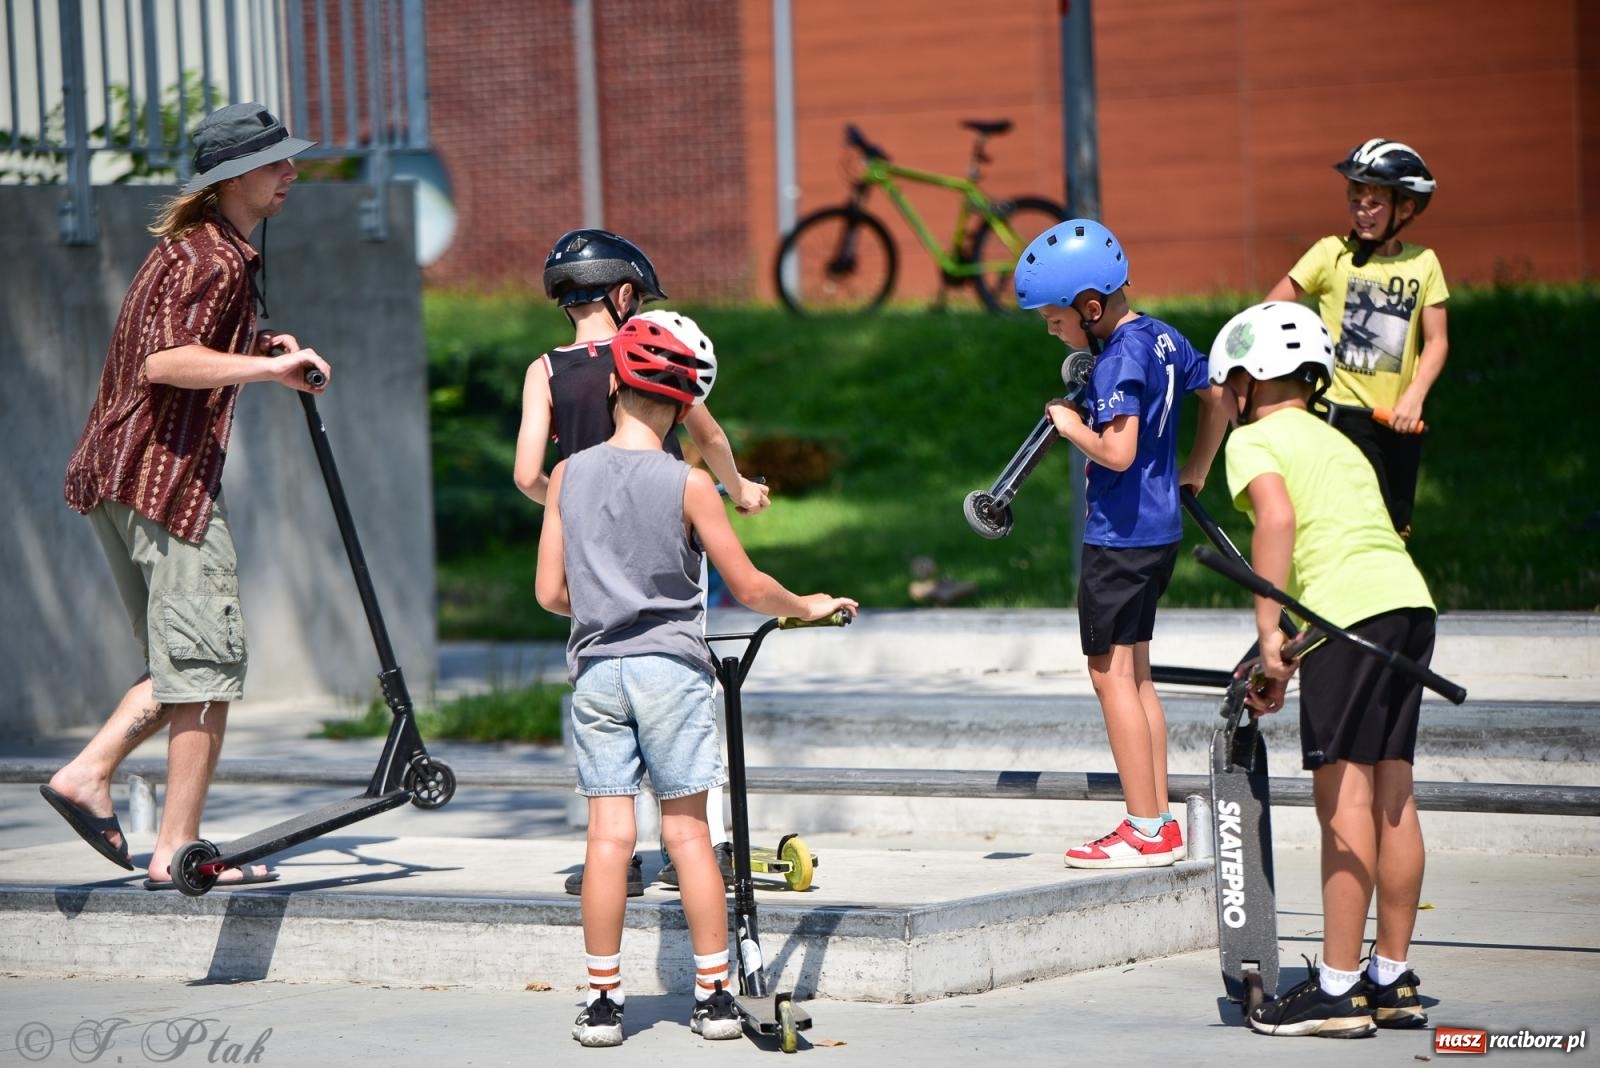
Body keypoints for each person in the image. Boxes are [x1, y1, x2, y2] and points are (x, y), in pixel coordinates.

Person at [535, 310, 855, 1046]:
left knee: (609, 839)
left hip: (596, 677)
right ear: (684, 407)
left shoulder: (565, 477)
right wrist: (807, 605)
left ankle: (603, 1005)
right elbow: (746, 586)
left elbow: (550, 593)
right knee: (686, 837)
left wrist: (599, 604)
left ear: (614, 385)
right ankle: (713, 1000)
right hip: (670, 673)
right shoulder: (692, 485)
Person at [47, 102, 329, 890]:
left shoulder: (193, 249)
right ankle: (163, 838)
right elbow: (167, 362)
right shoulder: (215, 259)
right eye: (276, 164)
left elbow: (182, 342)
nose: (291, 173)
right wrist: (269, 371)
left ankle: (103, 783)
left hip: (119, 475)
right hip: (166, 482)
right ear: (234, 177)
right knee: (207, 664)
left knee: (184, 661)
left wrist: (259, 344)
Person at [514, 228, 770, 898]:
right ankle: (705, 845)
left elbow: (524, 474)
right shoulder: (645, 351)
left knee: (603, 692)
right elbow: (705, 432)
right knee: (686, 681)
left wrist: (568, 507)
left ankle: (613, 857)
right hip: (664, 532)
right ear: (625, 294)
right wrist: (739, 489)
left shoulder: (542, 370)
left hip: (590, 560)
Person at [1208, 300, 1436, 1038]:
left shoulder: (1256, 439)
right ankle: (1390, 976)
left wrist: (1268, 631)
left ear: (1246, 380)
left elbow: (1278, 522)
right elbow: (1349, 555)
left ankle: (1337, 989)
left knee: (1343, 797)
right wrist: (1290, 654)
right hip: (1406, 606)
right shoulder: (1340, 443)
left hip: (1346, 616)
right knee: (1393, 791)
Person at [1013, 218, 1230, 869]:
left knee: (1109, 675)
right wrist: (1197, 466)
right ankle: (1157, 819)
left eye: (1055, 321)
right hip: (1157, 533)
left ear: (1090, 307)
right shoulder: (1161, 337)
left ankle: (1144, 826)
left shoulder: (1118, 361)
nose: (1052, 331)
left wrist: (1070, 424)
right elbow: (1218, 396)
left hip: (1118, 540)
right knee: (1135, 675)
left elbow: (1118, 450)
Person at [1264, 138, 1448, 538]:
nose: (1362, 211)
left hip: (1397, 421)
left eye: (1374, 203)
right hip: (1338, 413)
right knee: (1354, 523)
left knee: (1394, 530)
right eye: (1355, 199)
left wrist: (1414, 397)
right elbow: (1270, 311)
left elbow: (1436, 341)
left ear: (1406, 207)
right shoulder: (1331, 254)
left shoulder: (1423, 263)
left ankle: (1387, 600)